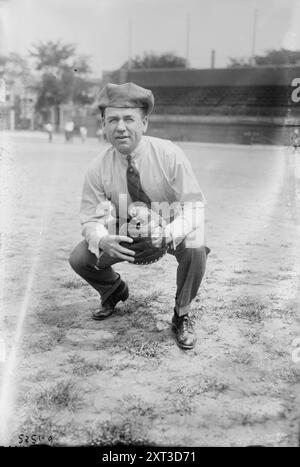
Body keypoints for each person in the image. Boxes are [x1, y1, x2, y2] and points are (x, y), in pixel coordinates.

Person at [69, 82, 210, 350]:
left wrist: (167, 234)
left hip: (169, 225)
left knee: (196, 244)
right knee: (80, 258)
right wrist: (103, 240)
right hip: (125, 231)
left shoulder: (168, 154)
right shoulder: (98, 167)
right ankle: (113, 291)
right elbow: (89, 218)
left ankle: (181, 314)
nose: (120, 127)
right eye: (112, 120)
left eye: (128, 119)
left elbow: (195, 206)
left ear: (144, 123)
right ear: (103, 126)